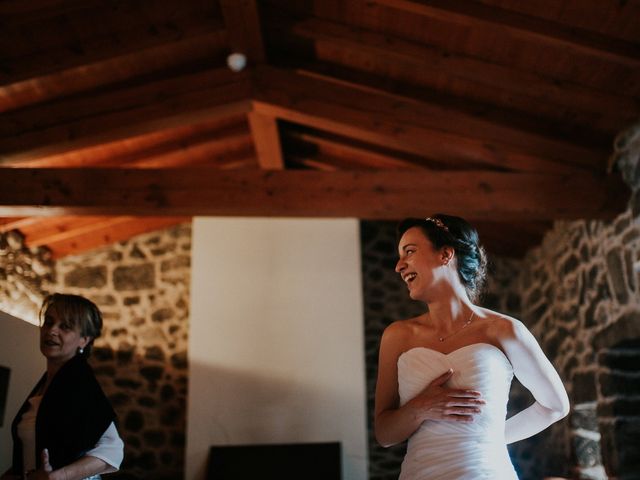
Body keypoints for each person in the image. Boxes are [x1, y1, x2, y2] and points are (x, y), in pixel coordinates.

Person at [374, 215, 570, 479]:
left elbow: (555, 406)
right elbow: (384, 434)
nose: (399, 266)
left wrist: (489, 439)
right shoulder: (397, 336)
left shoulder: (504, 330)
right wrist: (419, 408)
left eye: (409, 251)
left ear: (445, 254)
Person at [1, 294, 124, 480]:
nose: (51, 331)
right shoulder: (47, 385)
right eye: (48, 322)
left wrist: (59, 476)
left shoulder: (80, 383)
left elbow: (113, 450)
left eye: (65, 326)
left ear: (84, 340)